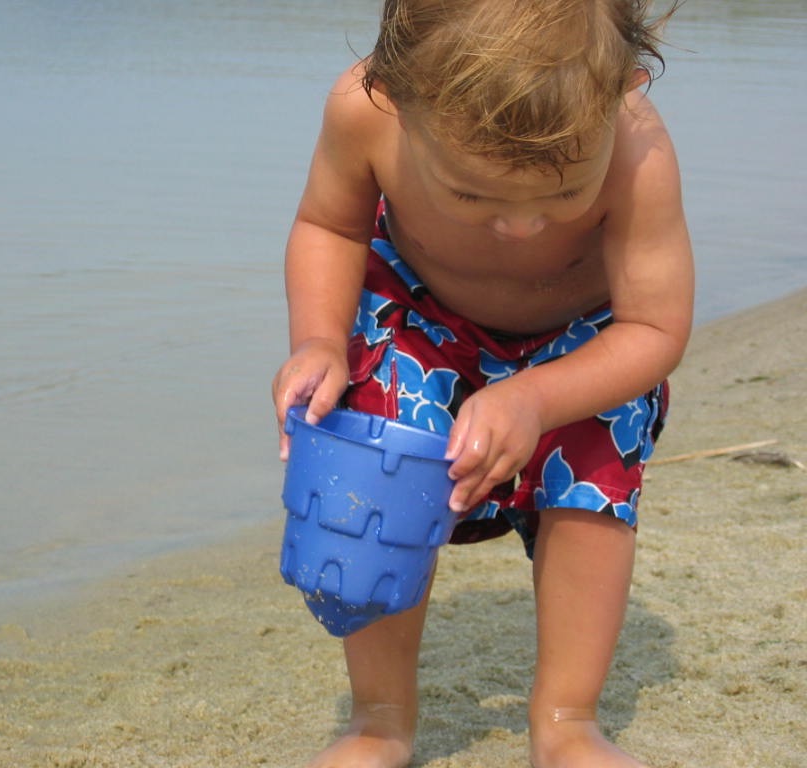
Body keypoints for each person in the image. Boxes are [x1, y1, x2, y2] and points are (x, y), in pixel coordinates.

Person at [271, 1, 694, 767]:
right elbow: (329, 228)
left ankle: (567, 719)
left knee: (594, 480)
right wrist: (319, 341)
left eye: (562, 198)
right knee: (368, 464)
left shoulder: (636, 149)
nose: (522, 227)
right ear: (394, 97)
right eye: (473, 196)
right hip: (418, 316)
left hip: (583, 341)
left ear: (622, 93)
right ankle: (378, 720)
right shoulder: (361, 112)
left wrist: (534, 397)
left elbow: (655, 329)